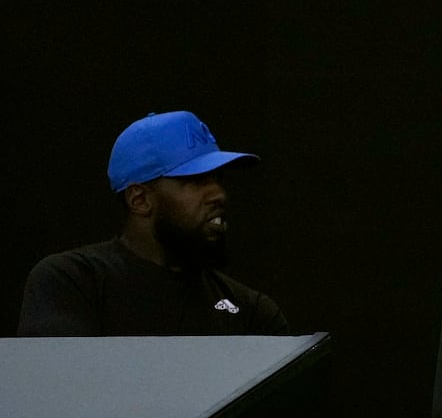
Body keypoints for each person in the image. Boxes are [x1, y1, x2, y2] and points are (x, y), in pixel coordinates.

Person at [17, 110, 288, 337]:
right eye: (195, 180)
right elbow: (60, 391)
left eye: (218, 179)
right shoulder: (73, 282)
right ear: (140, 200)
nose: (219, 195)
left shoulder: (251, 311)